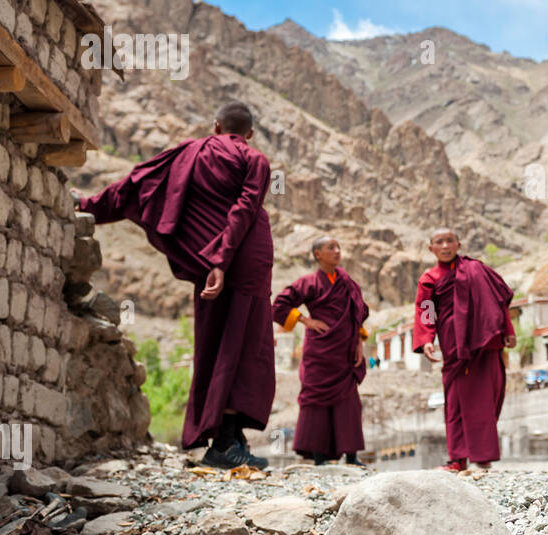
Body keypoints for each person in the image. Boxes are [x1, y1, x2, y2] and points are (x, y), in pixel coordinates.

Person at [76, 101, 274, 469]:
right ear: (249, 134)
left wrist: (86, 205)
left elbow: (134, 186)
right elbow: (245, 208)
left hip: (213, 262)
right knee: (242, 348)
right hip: (245, 263)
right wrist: (223, 259)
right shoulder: (255, 159)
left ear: (214, 126)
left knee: (217, 343)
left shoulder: (188, 153)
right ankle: (226, 444)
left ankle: (230, 440)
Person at [412, 229, 515, 473]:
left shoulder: (477, 269)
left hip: (487, 341)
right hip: (456, 346)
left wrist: (508, 329)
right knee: (456, 401)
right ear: (431, 249)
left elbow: (498, 302)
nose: (445, 246)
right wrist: (426, 338)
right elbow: (426, 310)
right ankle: (458, 458)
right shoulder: (430, 278)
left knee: (488, 398)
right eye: (439, 242)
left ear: (459, 244)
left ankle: (482, 457)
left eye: (450, 241)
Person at [272, 237, 369, 466]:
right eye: (331, 248)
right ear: (317, 254)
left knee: (349, 404)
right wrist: (306, 320)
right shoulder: (309, 282)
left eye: (338, 246)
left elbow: (357, 313)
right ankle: (318, 456)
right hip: (320, 352)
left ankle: (352, 455)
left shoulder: (347, 282)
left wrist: (359, 343)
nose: (337, 251)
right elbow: (280, 304)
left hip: (345, 352)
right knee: (315, 401)